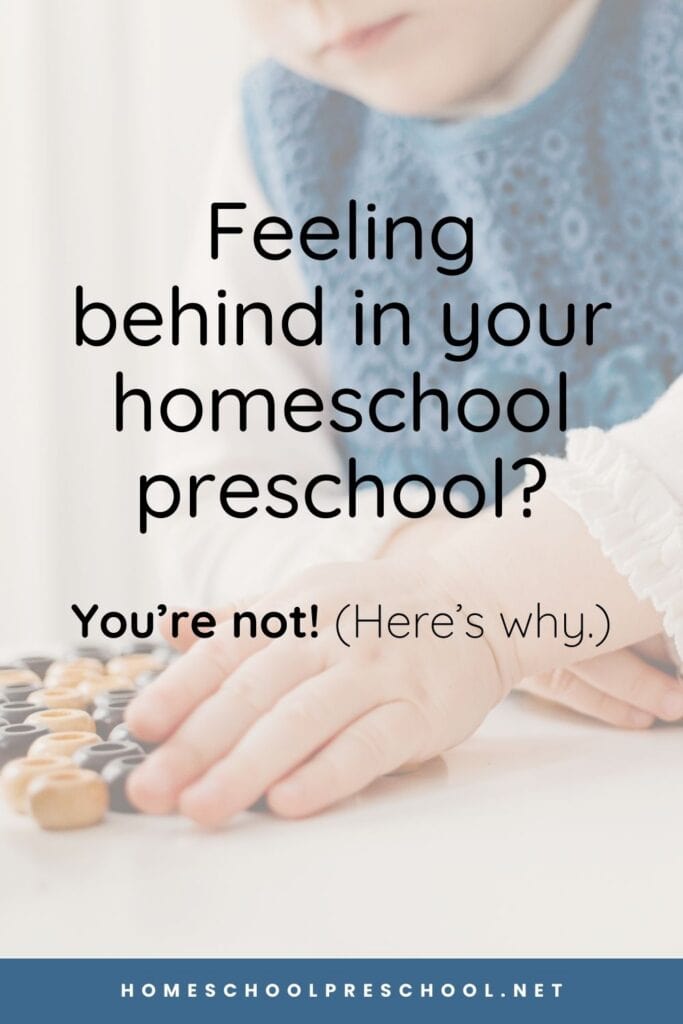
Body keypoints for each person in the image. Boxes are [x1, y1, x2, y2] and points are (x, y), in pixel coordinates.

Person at [126, 0, 683, 824]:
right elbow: (211, 512)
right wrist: (429, 591)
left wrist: (483, 598)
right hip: (492, 812)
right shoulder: (286, 137)